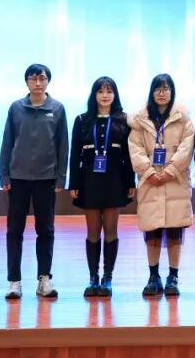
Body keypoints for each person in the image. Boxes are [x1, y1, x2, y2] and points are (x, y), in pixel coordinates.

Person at [0, 63, 68, 300]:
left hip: (46, 178)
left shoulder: (57, 109)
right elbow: (7, 142)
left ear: (48, 81)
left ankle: (44, 279)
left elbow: (63, 146)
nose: (38, 83)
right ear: (27, 82)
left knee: (46, 230)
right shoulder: (16, 108)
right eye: (33, 79)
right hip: (18, 178)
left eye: (42, 78)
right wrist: (4, 174)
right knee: (14, 230)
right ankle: (14, 281)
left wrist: (61, 177)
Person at [128, 73, 195, 297]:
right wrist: (149, 172)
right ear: (152, 92)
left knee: (175, 230)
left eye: (166, 89)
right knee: (152, 230)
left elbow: (187, 148)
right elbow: (135, 149)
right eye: (158, 89)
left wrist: (169, 171)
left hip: (175, 181)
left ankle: (173, 276)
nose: (162, 93)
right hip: (150, 182)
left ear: (172, 91)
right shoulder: (140, 120)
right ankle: (153, 276)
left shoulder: (183, 118)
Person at [68, 76, 135, 297]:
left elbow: (129, 155)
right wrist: (74, 183)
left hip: (115, 180)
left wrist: (130, 181)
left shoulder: (124, 120)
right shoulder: (82, 120)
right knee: (93, 231)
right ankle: (93, 277)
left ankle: (107, 278)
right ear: (94, 94)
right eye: (101, 91)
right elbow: (74, 154)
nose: (105, 95)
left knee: (111, 230)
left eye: (109, 91)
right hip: (89, 180)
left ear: (115, 95)